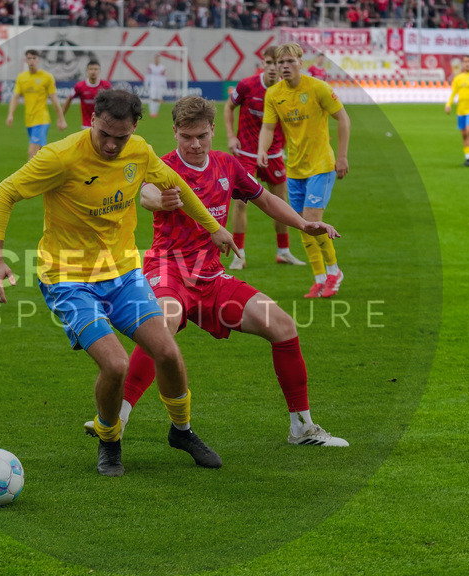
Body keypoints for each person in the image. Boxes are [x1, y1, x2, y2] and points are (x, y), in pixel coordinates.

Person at [0, 90, 240, 477]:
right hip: (68, 279)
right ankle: (109, 440)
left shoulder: (138, 151)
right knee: (117, 365)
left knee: (167, 353)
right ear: (92, 119)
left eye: (119, 137)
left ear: (134, 128)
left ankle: (182, 431)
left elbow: (177, 185)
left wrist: (215, 228)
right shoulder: (60, 157)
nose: (110, 144)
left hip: (122, 274)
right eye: (104, 133)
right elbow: (5, 192)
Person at [84, 96, 350, 448]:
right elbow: (145, 194)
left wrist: (304, 224)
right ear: (175, 132)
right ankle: (118, 417)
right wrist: (157, 199)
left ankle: (302, 427)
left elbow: (266, 200)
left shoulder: (227, 165)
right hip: (169, 271)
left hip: (211, 277)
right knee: (161, 326)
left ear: (212, 132)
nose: (195, 145)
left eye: (202, 137)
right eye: (187, 137)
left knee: (283, 326)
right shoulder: (159, 166)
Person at [259, 43, 351, 299]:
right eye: (280, 63)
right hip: (295, 168)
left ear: (301, 62)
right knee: (301, 224)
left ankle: (334, 272)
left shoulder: (317, 88)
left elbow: (343, 118)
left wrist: (341, 156)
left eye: (290, 61)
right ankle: (319, 278)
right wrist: (262, 150)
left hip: (321, 165)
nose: (284, 66)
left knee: (311, 220)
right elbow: (267, 128)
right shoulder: (273, 94)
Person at [223, 45, 304, 270]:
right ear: (263, 64)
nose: (271, 68)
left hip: (275, 154)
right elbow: (229, 107)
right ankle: (239, 255)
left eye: (275, 64)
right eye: (267, 63)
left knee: (280, 203)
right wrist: (231, 136)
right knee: (240, 204)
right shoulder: (247, 85)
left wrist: (288, 146)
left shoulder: (286, 90)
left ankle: (283, 251)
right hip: (246, 153)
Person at [7, 49, 68, 159]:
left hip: (41, 119)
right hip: (29, 120)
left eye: (34, 58)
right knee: (40, 154)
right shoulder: (21, 77)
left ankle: (30, 177)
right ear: (26, 60)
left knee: (32, 153)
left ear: (38, 60)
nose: (32, 61)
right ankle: (50, 173)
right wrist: (11, 114)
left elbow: (54, 99)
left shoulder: (47, 77)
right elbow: (15, 97)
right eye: (29, 58)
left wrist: (61, 119)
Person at [62, 59, 113, 129]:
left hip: (102, 124)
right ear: (87, 71)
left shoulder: (106, 85)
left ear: (99, 71)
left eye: (95, 69)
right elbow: (69, 98)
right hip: (86, 125)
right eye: (91, 69)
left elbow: (114, 101)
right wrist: (61, 118)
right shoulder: (80, 86)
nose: (93, 71)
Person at [145, 54, 168, 118]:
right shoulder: (151, 67)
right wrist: (146, 84)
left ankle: (155, 112)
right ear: (154, 59)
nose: (157, 60)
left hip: (160, 86)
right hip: (153, 85)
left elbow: (164, 77)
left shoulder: (162, 67)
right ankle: (152, 112)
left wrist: (165, 86)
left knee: (158, 99)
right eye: (156, 59)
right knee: (152, 98)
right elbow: (148, 76)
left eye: (158, 59)